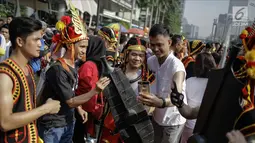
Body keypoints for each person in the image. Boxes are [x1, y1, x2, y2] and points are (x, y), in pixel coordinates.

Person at [37, 3, 110, 143]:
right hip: (53, 126)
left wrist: (80, 108)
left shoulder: (73, 65)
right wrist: (95, 90)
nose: (84, 51)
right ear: (70, 46)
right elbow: (70, 101)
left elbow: (71, 93)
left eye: (86, 47)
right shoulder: (58, 69)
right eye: (81, 46)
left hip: (68, 122)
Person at [0, 17, 61, 143]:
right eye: (36, 39)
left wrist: (45, 103)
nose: (41, 44)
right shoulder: (5, 75)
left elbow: (27, 107)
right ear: (20, 41)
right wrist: (46, 109)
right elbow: (5, 122)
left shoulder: (27, 68)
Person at [138, 24, 187, 143]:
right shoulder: (150, 61)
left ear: (169, 42)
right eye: (152, 45)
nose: (155, 49)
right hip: (156, 117)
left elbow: (178, 97)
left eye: (159, 45)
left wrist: (162, 102)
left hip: (173, 120)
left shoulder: (177, 66)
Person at [73, 36, 109, 143]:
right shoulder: (95, 64)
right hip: (88, 109)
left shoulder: (88, 65)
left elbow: (85, 88)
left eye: (86, 47)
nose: (84, 50)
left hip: (82, 108)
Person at [180, 53, 216, 143]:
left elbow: (184, 102)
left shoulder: (189, 81)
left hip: (189, 123)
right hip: (206, 125)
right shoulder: (214, 84)